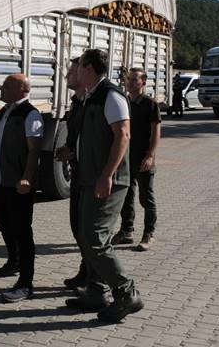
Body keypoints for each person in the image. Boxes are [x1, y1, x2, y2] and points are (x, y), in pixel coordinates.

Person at [70, 48, 144, 323]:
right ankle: (96, 292)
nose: (75, 71)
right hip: (90, 177)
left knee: (96, 238)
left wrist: (107, 175)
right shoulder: (91, 96)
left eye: (79, 66)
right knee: (86, 235)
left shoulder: (110, 95)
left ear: (89, 68)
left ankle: (126, 293)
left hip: (109, 180)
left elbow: (123, 135)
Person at [0, 73, 44, 302]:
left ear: (21, 89)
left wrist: (27, 178)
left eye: (6, 86)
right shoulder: (4, 112)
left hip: (19, 184)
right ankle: (13, 261)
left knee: (23, 231)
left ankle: (26, 283)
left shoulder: (30, 114)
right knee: (3, 222)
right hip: (2, 181)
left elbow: (34, 150)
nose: (0, 89)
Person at [112, 68, 161, 251]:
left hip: (143, 158)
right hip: (126, 158)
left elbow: (156, 132)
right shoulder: (123, 102)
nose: (130, 83)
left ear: (143, 83)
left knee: (145, 198)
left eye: (134, 80)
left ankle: (149, 233)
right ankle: (127, 231)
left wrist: (150, 155)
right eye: (128, 79)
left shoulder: (150, 104)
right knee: (126, 196)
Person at [55, 57, 88, 290]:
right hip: (78, 173)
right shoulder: (76, 102)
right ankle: (85, 271)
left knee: (88, 230)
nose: (67, 75)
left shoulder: (93, 103)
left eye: (72, 71)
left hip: (91, 176)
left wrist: (74, 153)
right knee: (77, 227)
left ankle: (94, 281)